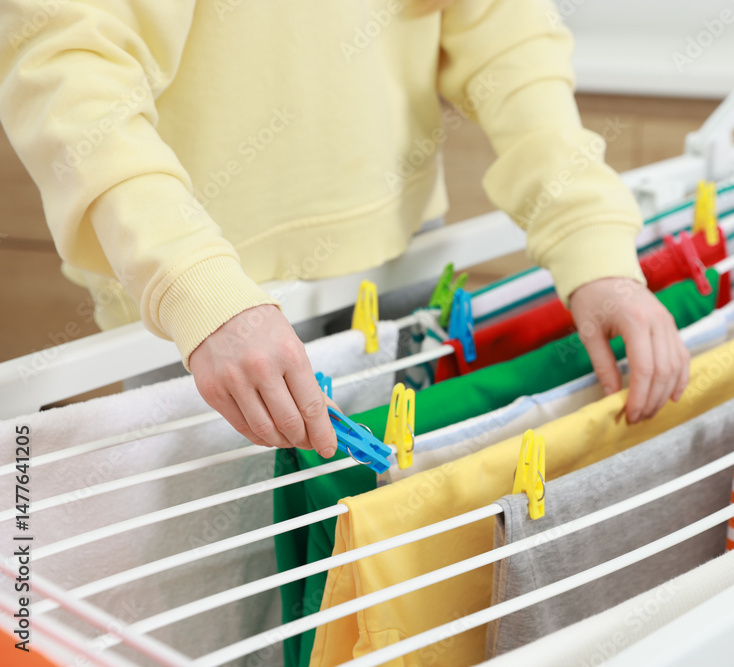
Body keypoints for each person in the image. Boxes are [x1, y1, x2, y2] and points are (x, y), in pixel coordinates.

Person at [0, 0, 690, 459]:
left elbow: (506, 36)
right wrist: (195, 285)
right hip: (201, 317)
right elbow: (65, 64)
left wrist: (592, 242)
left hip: (400, 270)